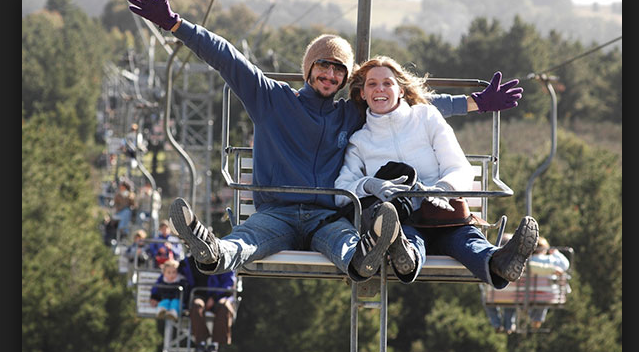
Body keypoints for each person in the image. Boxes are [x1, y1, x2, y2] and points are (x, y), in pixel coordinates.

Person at [127, 0, 524, 280]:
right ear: (309, 69)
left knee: (346, 243)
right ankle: (214, 252)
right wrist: (177, 25)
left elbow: (403, 102)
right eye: (323, 66)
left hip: (328, 216)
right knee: (246, 240)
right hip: (277, 210)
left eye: (338, 70)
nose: (330, 76)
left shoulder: (349, 112)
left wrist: (474, 103)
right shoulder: (271, 100)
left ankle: (366, 259)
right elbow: (228, 58)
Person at [334, 55, 538, 288]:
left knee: (465, 239)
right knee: (407, 237)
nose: (380, 89)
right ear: (362, 94)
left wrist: (442, 189)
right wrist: (370, 184)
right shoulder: (360, 141)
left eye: (387, 83)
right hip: (403, 217)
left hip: (443, 214)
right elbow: (341, 192)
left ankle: (499, 262)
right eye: (372, 84)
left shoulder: (426, 117)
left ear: (401, 90)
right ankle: (407, 258)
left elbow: (458, 165)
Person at [179, 255, 237, 352]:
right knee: (196, 305)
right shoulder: (188, 262)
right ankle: (201, 342)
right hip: (199, 295)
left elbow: (228, 284)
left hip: (220, 296)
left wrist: (214, 297)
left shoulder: (224, 260)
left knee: (224, 306)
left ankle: (215, 344)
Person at [527, 236, 570, 329]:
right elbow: (565, 265)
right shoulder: (550, 260)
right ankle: (537, 321)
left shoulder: (528, 260)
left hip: (529, 294)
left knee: (535, 299)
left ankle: (533, 318)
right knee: (544, 298)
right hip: (547, 294)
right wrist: (556, 253)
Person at [481, 233, 517, 333]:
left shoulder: (492, 257)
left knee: (486, 297)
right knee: (510, 302)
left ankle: (496, 324)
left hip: (493, 293)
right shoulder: (517, 260)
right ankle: (509, 325)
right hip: (511, 294)